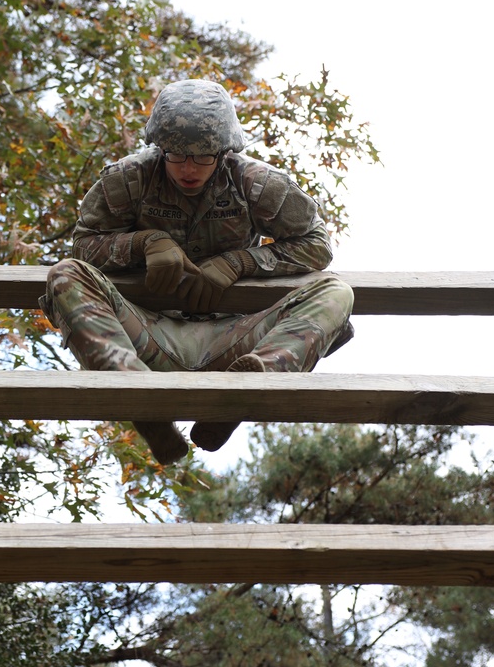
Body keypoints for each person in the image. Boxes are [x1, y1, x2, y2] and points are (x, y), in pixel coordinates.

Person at [41, 79, 355, 465]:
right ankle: (143, 401)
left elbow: (317, 245)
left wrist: (240, 262)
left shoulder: (254, 183)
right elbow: (84, 245)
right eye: (176, 155)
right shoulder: (130, 179)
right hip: (143, 336)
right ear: (160, 148)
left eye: (204, 156)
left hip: (236, 340)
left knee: (336, 292)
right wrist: (144, 243)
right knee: (65, 274)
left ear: (224, 152)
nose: (189, 168)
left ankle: (245, 391)